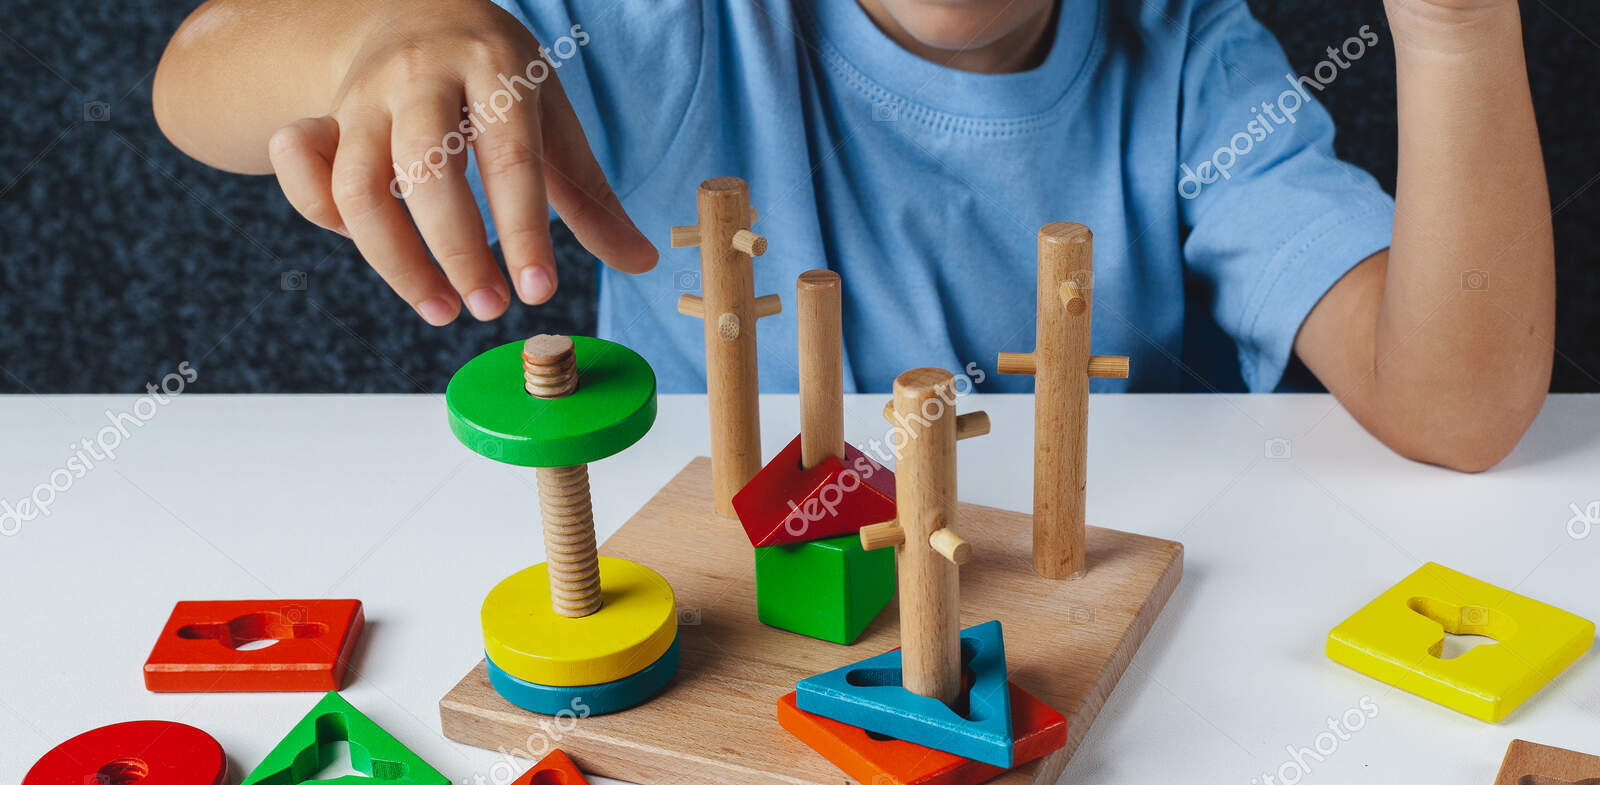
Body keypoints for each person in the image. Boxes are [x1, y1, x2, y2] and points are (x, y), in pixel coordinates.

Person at [154, 0, 1555, 470]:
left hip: (1102, 650)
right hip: (744, 639)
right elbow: (198, 75)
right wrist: (391, 31)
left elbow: (1457, 407)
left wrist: (1451, 27)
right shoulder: (660, 28)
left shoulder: (1192, 61)